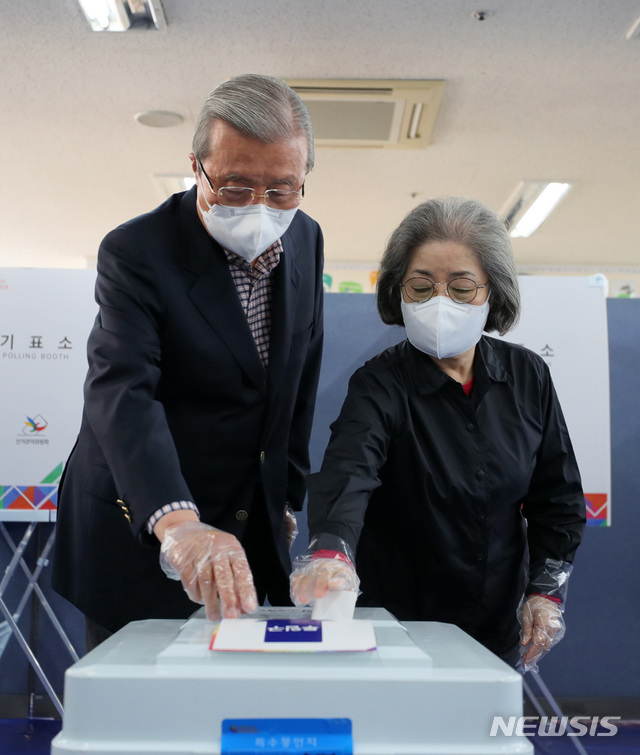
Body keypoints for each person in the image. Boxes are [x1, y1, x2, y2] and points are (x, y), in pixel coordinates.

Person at [52, 74, 324, 649]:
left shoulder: (306, 238)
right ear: (195, 166)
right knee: (140, 716)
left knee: (230, 713)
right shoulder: (137, 252)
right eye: (234, 185)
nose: (259, 207)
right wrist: (178, 524)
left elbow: (297, 379)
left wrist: (287, 497)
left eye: (281, 189)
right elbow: (124, 391)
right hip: (142, 520)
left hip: (248, 524)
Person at [291, 197, 585, 672]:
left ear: (492, 293)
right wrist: (331, 551)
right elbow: (350, 471)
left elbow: (558, 496)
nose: (440, 302)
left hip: (494, 626)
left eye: (462, 287)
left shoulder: (527, 376)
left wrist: (545, 590)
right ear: (399, 292)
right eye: (421, 287)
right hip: (398, 628)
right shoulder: (380, 383)